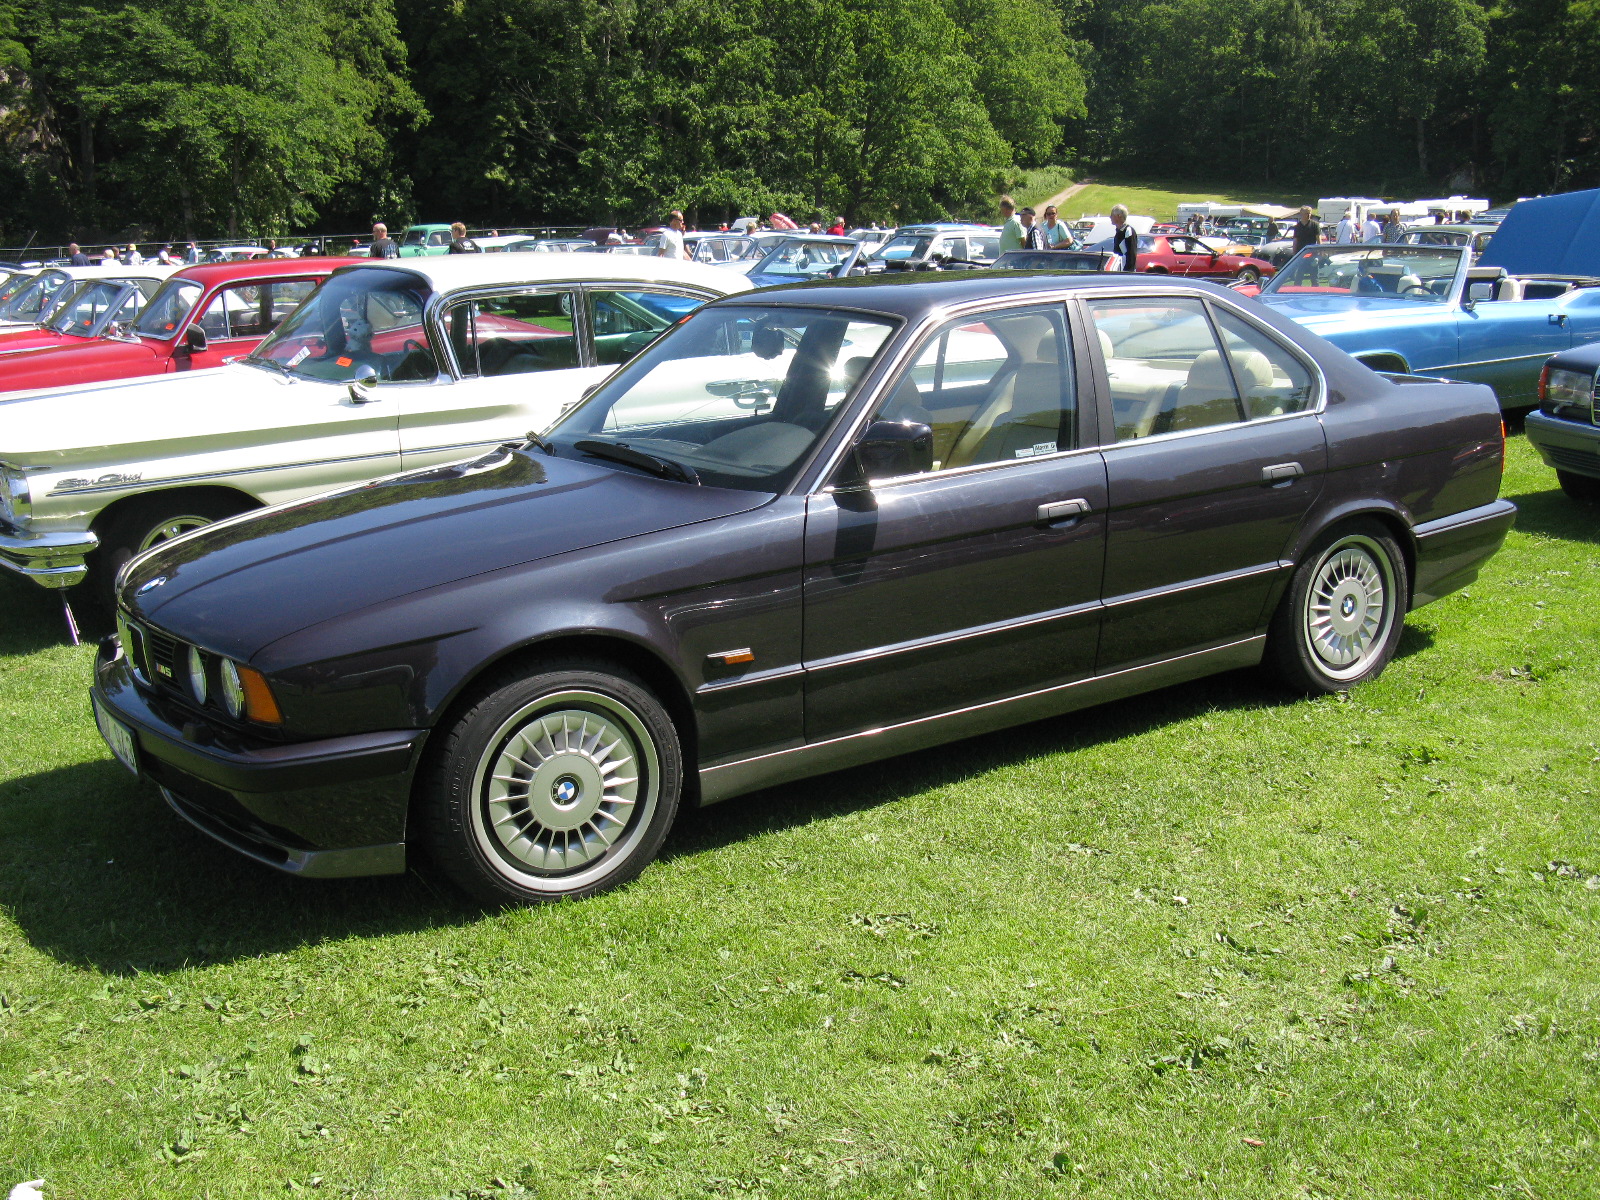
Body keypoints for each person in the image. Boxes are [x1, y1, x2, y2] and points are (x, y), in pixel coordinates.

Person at [1110, 204, 1139, 272]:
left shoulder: (1128, 231)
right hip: (1118, 269)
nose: (1110, 217)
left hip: (1126, 271)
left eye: (1112, 215)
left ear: (1119, 216)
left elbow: (1132, 254)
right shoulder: (1119, 231)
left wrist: (1128, 272)